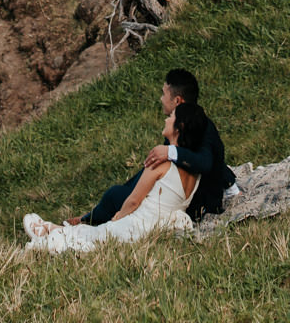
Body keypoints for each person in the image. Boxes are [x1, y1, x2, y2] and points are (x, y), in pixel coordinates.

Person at [23, 104, 205, 253]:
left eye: (171, 116)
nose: (166, 118)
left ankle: (46, 235)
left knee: (92, 236)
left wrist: (119, 217)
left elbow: (134, 200)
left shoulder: (160, 162)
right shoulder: (195, 171)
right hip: (159, 227)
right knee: (91, 233)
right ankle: (48, 227)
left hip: (139, 226)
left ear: (178, 127)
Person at [72, 68, 235, 228]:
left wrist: (171, 151)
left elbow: (207, 162)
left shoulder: (203, 127)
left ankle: (87, 222)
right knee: (123, 192)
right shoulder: (186, 125)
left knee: (115, 195)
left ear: (177, 101)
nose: (161, 99)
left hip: (197, 205)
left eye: (164, 94)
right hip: (176, 195)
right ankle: (91, 217)